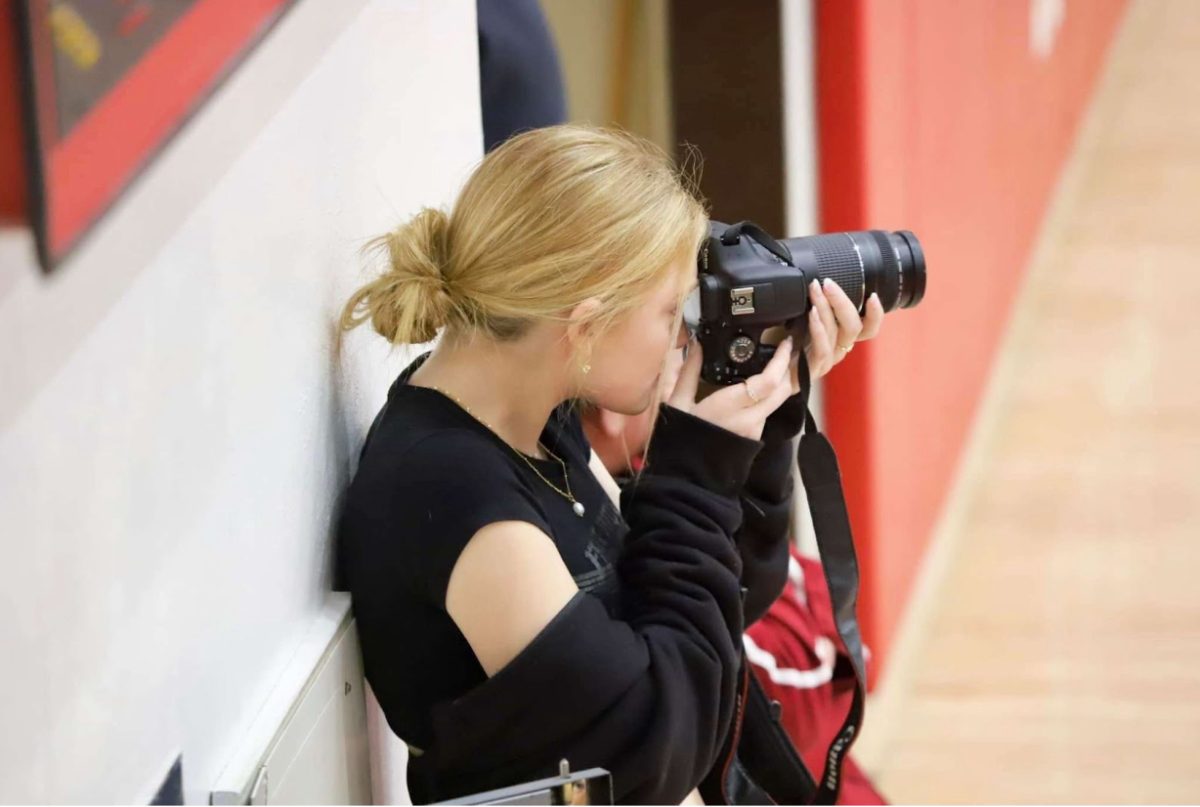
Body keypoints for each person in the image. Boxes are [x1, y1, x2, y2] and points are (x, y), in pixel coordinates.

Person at [336, 124, 883, 804]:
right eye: (669, 310)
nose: (686, 334)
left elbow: (717, 605)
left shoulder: (530, 417)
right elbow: (659, 745)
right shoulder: (455, 498)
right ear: (586, 324)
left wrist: (760, 415)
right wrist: (693, 472)